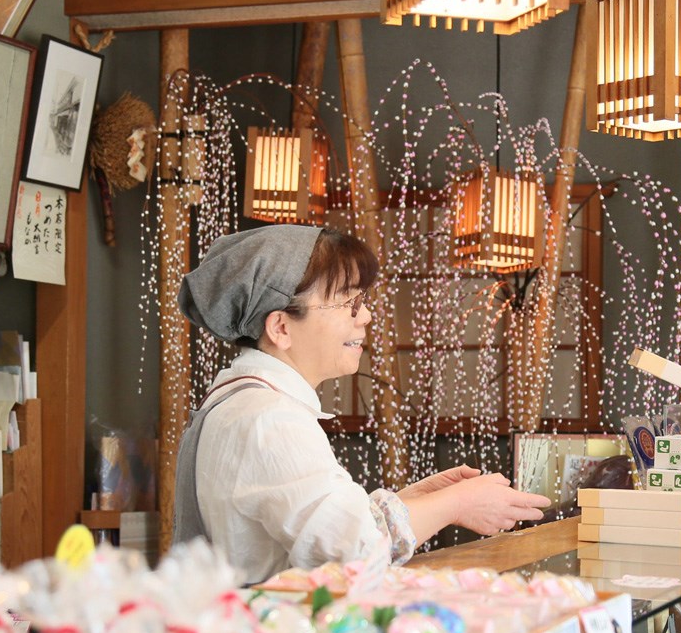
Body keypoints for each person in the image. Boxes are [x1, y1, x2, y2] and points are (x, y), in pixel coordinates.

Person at [173, 224, 548, 585]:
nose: (365, 316)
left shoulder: (247, 402)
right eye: (348, 304)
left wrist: (411, 500)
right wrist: (457, 503)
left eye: (362, 301)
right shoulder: (268, 418)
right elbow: (353, 550)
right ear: (281, 328)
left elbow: (316, 524)